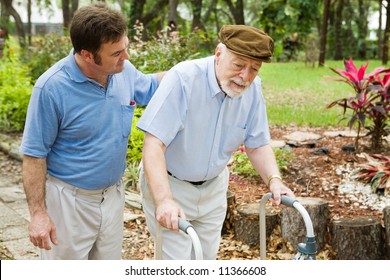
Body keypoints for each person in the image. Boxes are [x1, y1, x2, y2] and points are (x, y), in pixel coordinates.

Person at [19, 3, 165, 260]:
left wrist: (194, 73)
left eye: (126, 47)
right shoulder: (51, 88)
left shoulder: (124, 71)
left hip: (112, 197)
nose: (127, 57)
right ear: (87, 55)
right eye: (117, 53)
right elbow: (34, 155)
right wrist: (38, 214)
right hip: (69, 203)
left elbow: (153, 86)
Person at [137, 25, 295, 260]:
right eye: (239, 65)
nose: (246, 77)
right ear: (218, 53)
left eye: (254, 68)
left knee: (205, 262)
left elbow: (257, 143)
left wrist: (275, 180)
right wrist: (164, 201)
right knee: (176, 267)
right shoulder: (183, 79)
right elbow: (153, 145)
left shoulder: (253, 88)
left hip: (214, 189)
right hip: (172, 186)